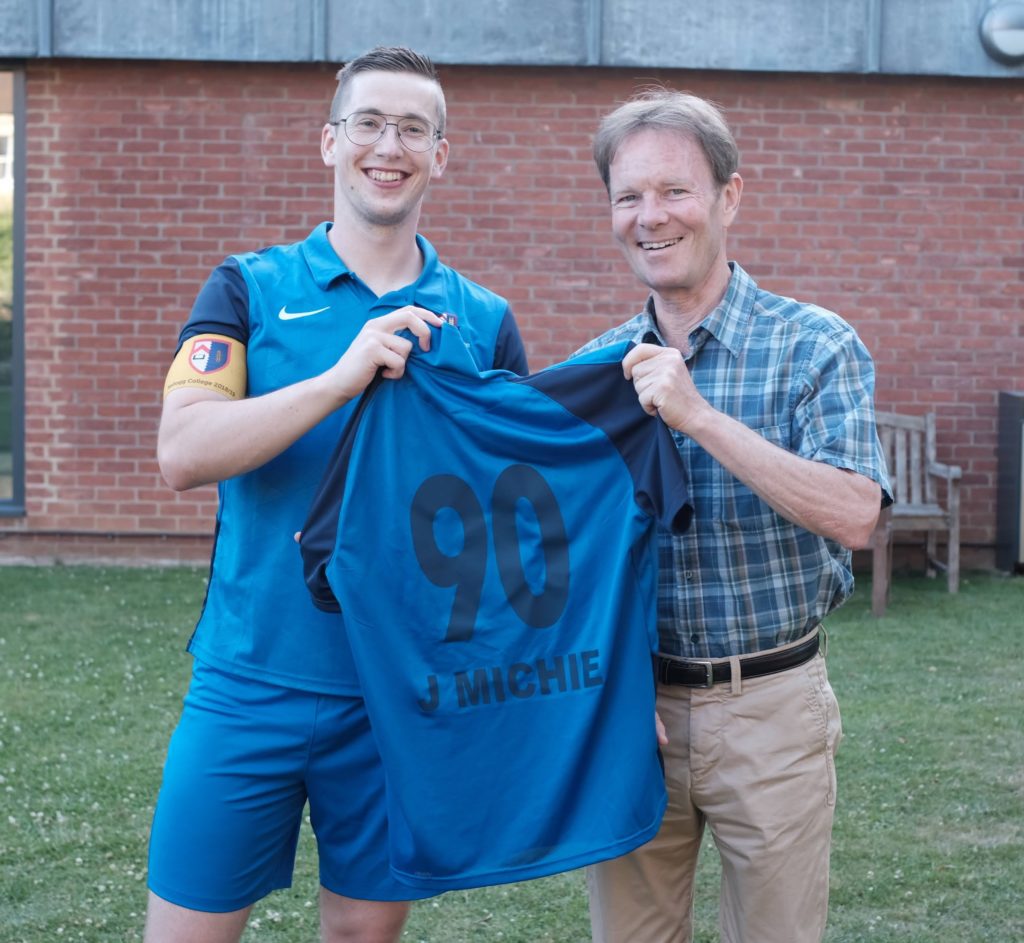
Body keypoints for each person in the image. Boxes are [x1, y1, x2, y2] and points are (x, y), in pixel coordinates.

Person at [146, 46, 527, 943]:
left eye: (413, 129)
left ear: (442, 154)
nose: (387, 146)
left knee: (364, 934)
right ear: (328, 142)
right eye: (368, 122)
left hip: (397, 695)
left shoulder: (484, 320)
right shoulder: (246, 287)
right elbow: (183, 451)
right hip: (248, 680)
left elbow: (513, 525)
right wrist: (343, 376)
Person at [578, 89, 891, 943]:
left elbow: (856, 512)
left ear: (729, 196)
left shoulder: (815, 345)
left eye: (674, 190)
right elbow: (569, 557)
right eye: (627, 196)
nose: (651, 217)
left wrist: (699, 417)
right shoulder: (593, 370)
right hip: (631, 717)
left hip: (771, 709)